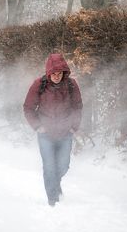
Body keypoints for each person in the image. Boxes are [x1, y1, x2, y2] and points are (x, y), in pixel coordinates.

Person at [23, 53, 83, 206]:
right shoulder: (39, 84)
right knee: (49, 167)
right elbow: (28, 108)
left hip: (65, 134)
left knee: (63, 166)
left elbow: (77, 107)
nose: (56, 76)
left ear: (64, 72)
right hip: (46, 135)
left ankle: (55, 185)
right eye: (53, 73)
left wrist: (73, 126)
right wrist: (38, 126)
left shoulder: (71, 84)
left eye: (60, 73)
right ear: (48, 72)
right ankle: (53, 200)